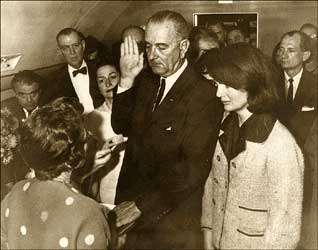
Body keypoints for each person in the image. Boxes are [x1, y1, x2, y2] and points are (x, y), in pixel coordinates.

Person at [111, 10, 223, 249]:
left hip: (170, 219)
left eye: (162, 47)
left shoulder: (203, 94)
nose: (152, 55)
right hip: (132, 211)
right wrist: (126, 79)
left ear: (183, 47)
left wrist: (140, 206)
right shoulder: (144, 79)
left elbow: (191, 168)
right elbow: (120, 126)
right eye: (149, 46)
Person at [201, 43, 304, 249]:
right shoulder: (226, 127)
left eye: (228, 85)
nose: (218, 93)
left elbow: (285, 224)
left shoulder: (280, 144)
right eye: (217, 84)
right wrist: (208, 232)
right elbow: (213, 185)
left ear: (253, 83)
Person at [0, 98, 111, 249]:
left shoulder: (14, 193)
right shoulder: (88, 212)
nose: (89, 142)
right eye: (85, 139)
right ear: (72, 157)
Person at [84, 60, 126, 204]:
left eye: (113, 77)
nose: (108, 84)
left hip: (140, 184)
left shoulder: (138, 110)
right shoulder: (93, 119)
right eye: (102, 80)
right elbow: (90, 165)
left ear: (122, 78)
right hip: (109, 187)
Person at [43, 28, 104, 114]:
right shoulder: (53, 80)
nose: (72, 52)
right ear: (60, 51)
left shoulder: (100, 68)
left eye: (76, 45)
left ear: (83, 45)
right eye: (66, 48)